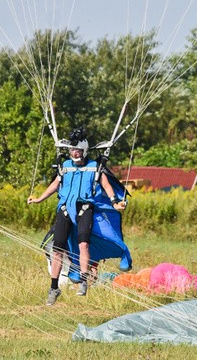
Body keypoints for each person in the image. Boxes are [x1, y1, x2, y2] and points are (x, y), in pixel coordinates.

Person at [28, 128, 128, 305]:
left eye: (77, 150)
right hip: (65, 208)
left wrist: (114, 202)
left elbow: (106, 185)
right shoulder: (65, 166)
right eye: (72, 150)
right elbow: (55, 185)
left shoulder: (94, 167)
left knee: (83, 244)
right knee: (58, 249)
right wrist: (39, 199)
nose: (74, 153)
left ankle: (83, 281)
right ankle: (54, 287)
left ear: (84, 151)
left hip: (85, 208)